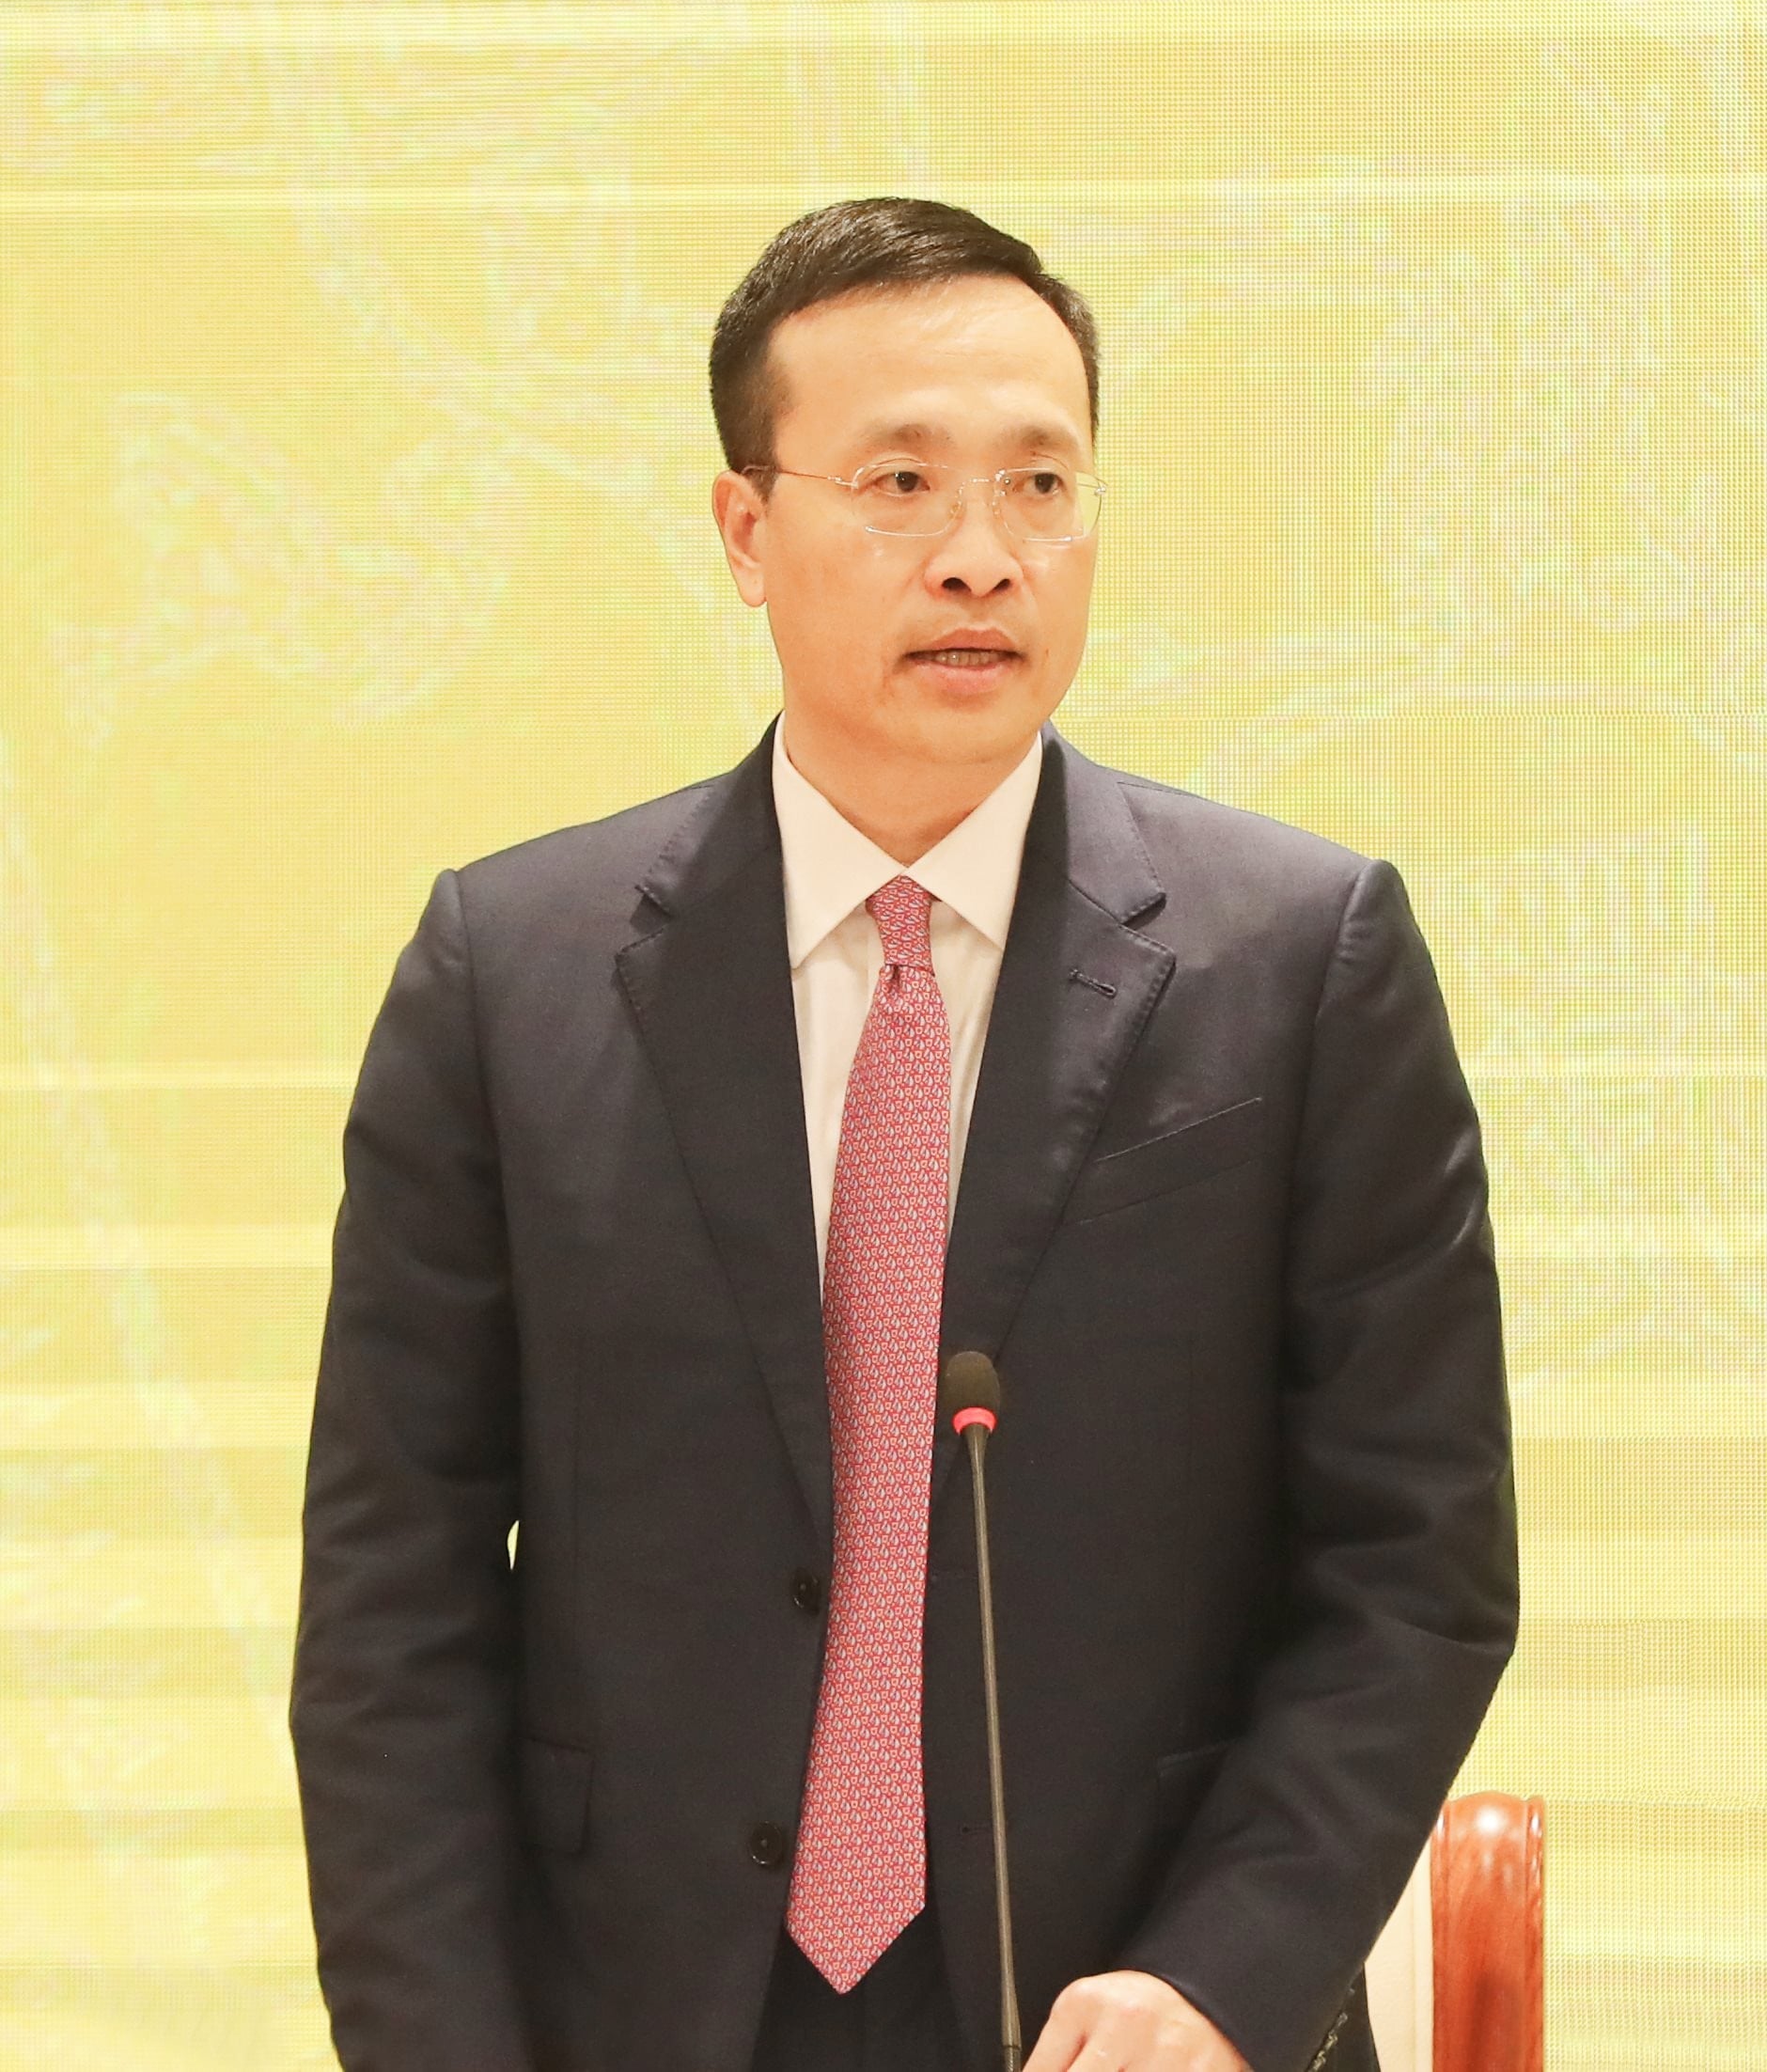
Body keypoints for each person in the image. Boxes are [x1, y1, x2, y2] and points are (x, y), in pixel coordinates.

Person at [289, 196, 1519, 2072]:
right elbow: (397, 1600)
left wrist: (1222, 1972)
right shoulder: (507, 972)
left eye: (1041, 484)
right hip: (639, 2009)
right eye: (900, 484)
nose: (980, 556)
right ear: (742, 530)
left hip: (1123, 2010)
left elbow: (1413, 1564)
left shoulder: (1302, 959)